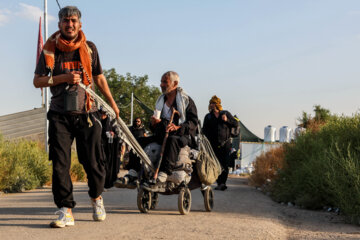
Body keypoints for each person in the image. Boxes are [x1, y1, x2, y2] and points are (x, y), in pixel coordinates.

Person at [33, 6, 119, 228]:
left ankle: (96, 198)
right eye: (65, 20)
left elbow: (99, 77)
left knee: (93, 162)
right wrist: (64, 77)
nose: (69, 24)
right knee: (60, 164)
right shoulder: (50, 50)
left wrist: (112, 103)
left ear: (80, 24)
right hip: (60, 115)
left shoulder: (89, 48)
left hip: (87, 114)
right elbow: (38, 81)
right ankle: (65, 209)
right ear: (59, 24)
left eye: (73, 20)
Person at [115, 71, 198, 189]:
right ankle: (133, 174)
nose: (161, 85)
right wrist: (153, 124)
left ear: (175, 83)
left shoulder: (186, 101)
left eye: (165, 82)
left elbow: (193, 122)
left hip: (180, 136)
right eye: (161, 82)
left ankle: (163, 174)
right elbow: (156, 126)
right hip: (161, 135)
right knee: (138, 141)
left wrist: (178, 127)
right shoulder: (161, 101)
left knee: (172, 140)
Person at [202, 95, 238, 191]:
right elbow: (204, 130)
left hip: (225, 144)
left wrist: (227, 120)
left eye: (213, 103)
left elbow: (235, 123)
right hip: (212, 145)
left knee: (225, 163)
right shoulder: (208, 116)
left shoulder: (225, 113)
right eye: (210, 103)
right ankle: (219, 182)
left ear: (217, 104)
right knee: (215, 164)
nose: (211, 105)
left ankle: (222, 183)